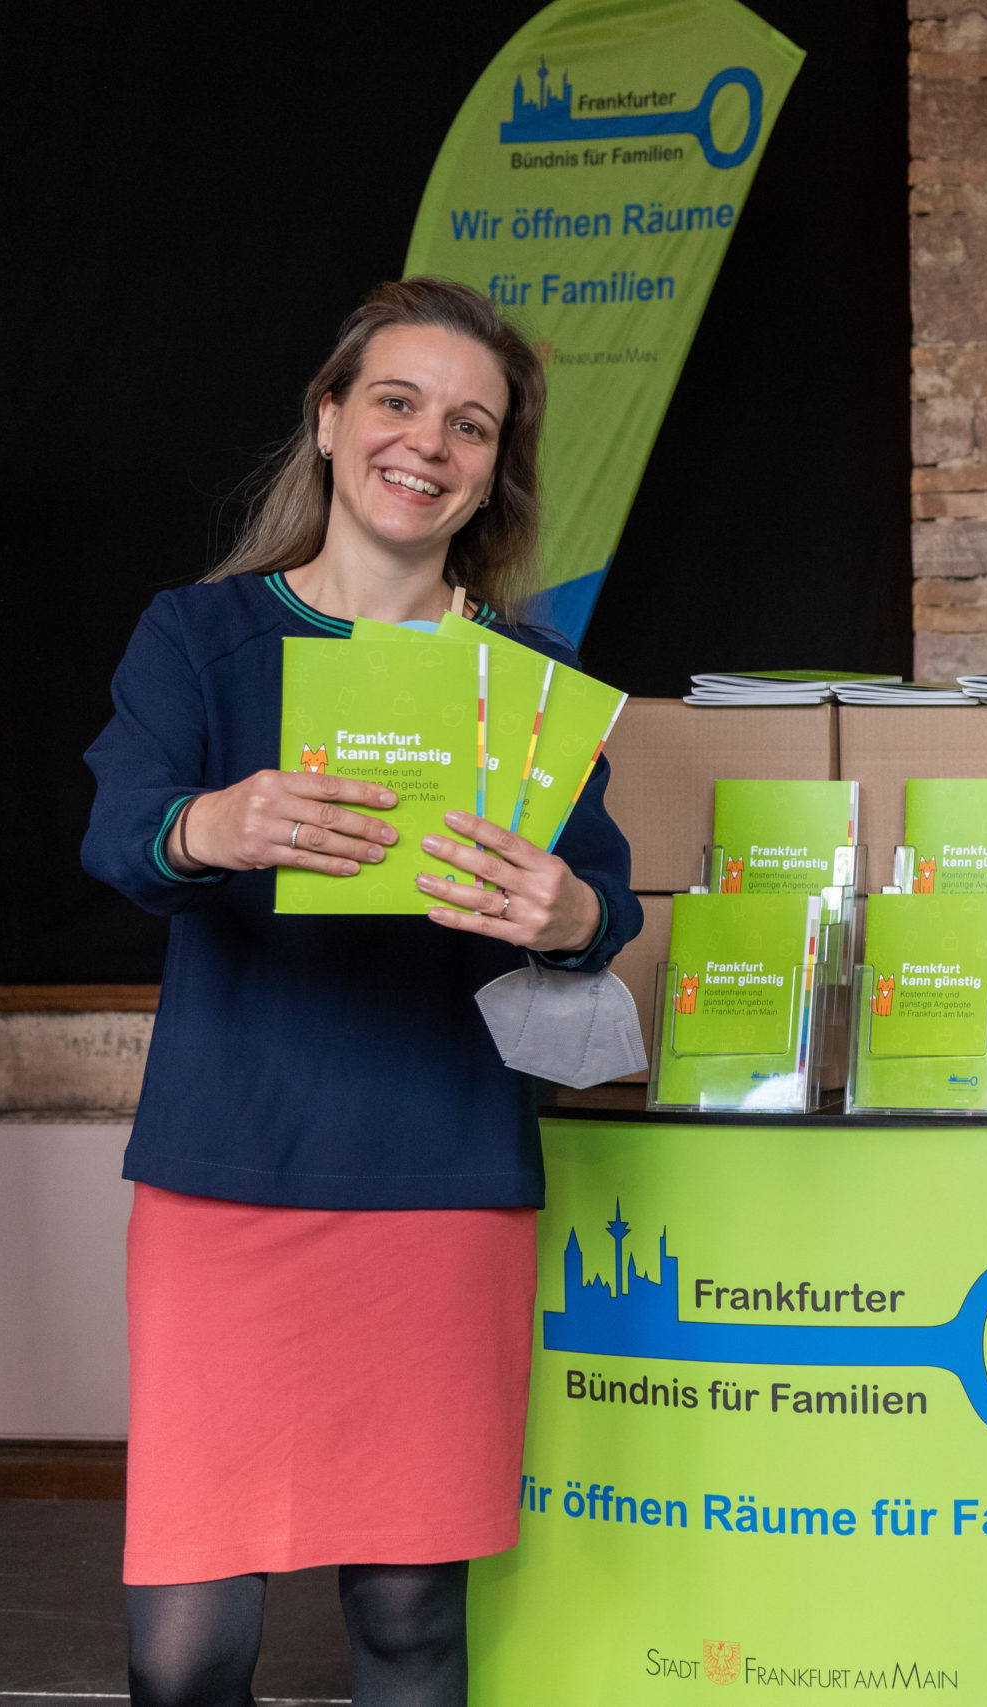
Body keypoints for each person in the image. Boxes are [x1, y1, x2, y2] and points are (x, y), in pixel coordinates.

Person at [82, 278, 641, 1706]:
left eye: (470, 425)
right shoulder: (197, 637)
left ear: (492, 472)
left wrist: (570, 914)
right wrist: (214, 824)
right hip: (223, 1180)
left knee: (408, 1620)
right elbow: (118, 833)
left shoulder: (528, 679)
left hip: (443, 1182)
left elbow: (605, 902)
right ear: (330, 420)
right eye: (397, 401)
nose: (427, 444)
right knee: (186, 1650)